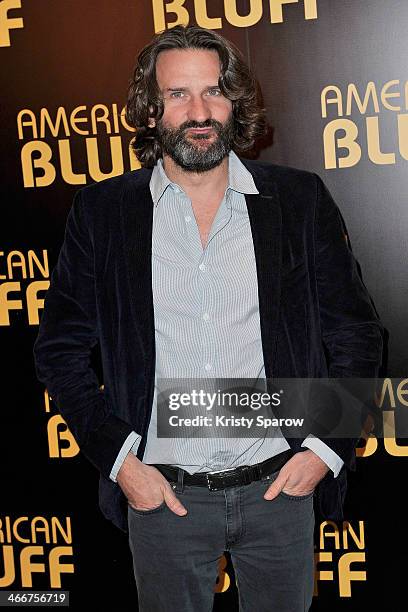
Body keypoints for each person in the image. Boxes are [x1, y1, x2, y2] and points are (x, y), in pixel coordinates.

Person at [33, 24, 384, 612]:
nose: (199, 111)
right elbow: (60, 351)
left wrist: (325, 450)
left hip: (280, 491)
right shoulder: (103, 212)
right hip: (163, 499)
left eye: (214, 92)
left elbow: (356, 334)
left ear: (235, 102)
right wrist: (122, 463)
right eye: (177, 94)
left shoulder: (297, 201)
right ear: (150, 110)